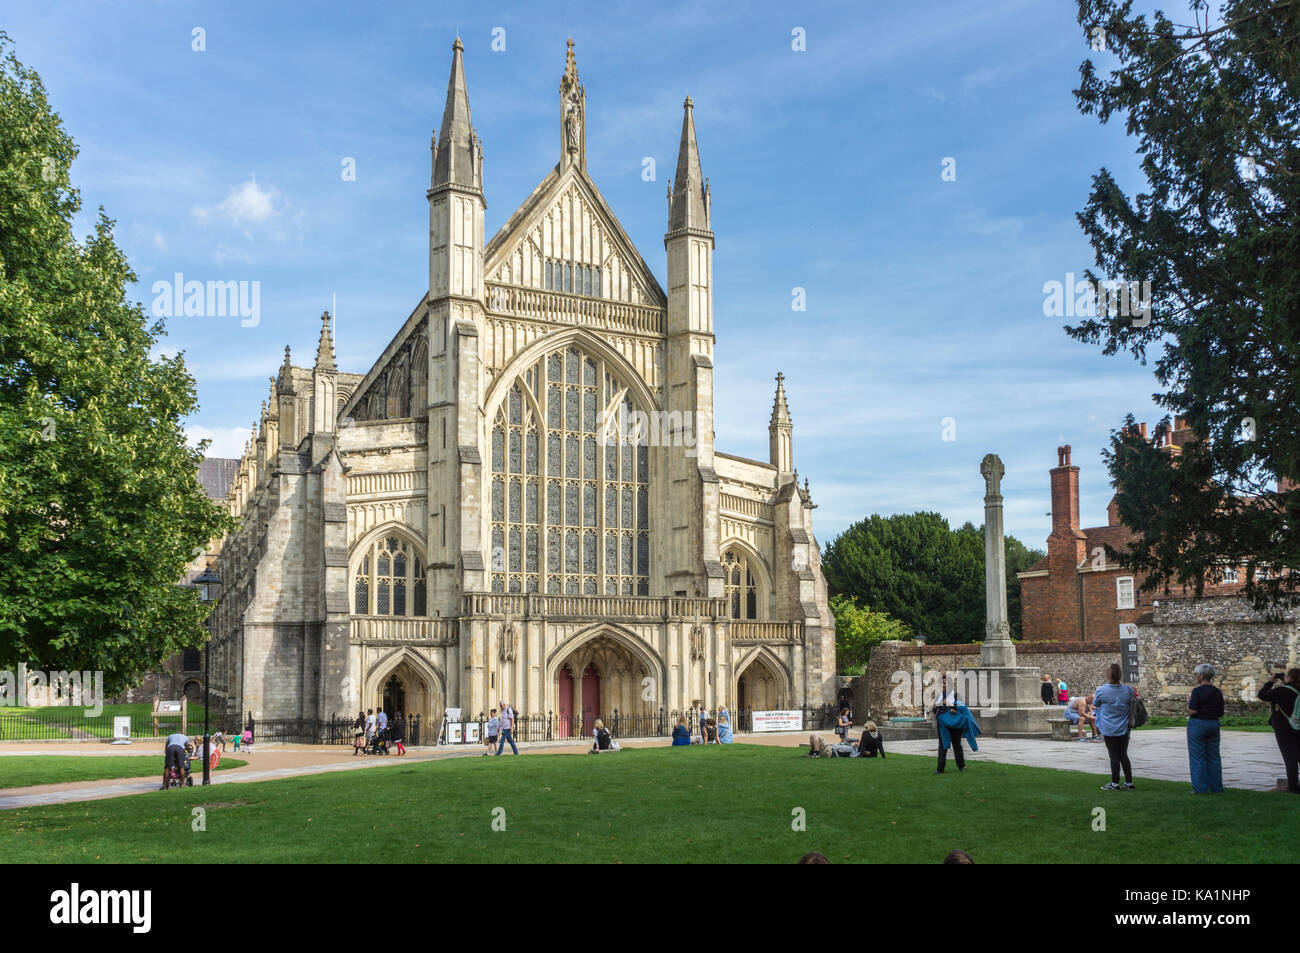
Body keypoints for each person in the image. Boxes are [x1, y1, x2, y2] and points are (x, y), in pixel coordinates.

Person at [1094, 662, 1136, 790]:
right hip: (1124, 727)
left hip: (1108, 727)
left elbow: (1096, 703)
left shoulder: (1101, 690)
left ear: (1108, 674)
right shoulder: (1128, 690)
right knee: (1123, 754)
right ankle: (1129, 782)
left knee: (1113, 755)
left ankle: (1115, 783)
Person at [1258, 667, 1300, 794]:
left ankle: (1293, 787)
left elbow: (1262, 695)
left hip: (1284, 727)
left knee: (1290, 757)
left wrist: (1271, 680)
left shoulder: (1282, 691)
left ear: (1290, 677)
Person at [1186, 663, 1225, 793]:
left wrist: (1188, 703)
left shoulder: (1197, 691)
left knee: (1197, 757)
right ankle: (1216, 787)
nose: (1195, 676)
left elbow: (1192, 710)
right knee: (1214, 757)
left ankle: (1200, 788)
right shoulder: (1217, 692)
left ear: (1202, 676)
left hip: (1198, 724)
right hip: (1213, 723)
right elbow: (1220, 712)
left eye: (1196, 674)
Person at [934, 676, 979, 773]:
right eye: (942, 683)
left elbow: (962, 708)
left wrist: (953, 707)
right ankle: (940, 769)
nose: (943, 685)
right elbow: (935, 710)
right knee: (942, 745)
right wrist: (939, 705)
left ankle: (961, 767)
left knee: (957, 745)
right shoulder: (939, 696)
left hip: (955, 724)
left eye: (945, 683)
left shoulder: (956, 695)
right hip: (943, 725)